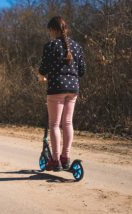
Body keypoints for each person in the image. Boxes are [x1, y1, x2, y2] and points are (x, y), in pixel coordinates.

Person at [38, 16, 86, 171]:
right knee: (67, 123)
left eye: (49, 31)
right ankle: (65, 158)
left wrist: (42, 77)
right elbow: (82, 71)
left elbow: (43, 68)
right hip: (73, 89)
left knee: (54, 124)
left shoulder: (50, 46)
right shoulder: (77, 47)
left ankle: (55, 160)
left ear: (53, 30)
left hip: (56, 88)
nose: (49, 34)